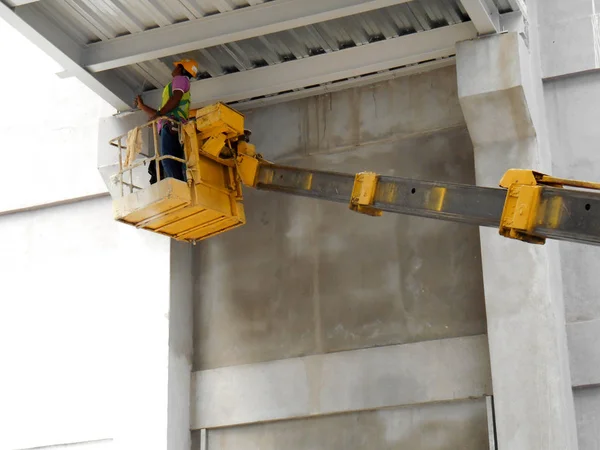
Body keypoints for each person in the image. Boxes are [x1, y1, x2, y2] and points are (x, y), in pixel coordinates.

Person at [135, 58, 199, 184]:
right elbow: (163, 113)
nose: (173, 68)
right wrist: (143, 107)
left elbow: (175, 99)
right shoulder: (177, 84)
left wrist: (158, 114)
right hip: (171, 125)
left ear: (181, 69)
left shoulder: (180, 79)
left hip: (171, 126)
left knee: (168, 160)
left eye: (176, 66)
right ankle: (179, 185)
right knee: (171, 160)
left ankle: (178, 186)